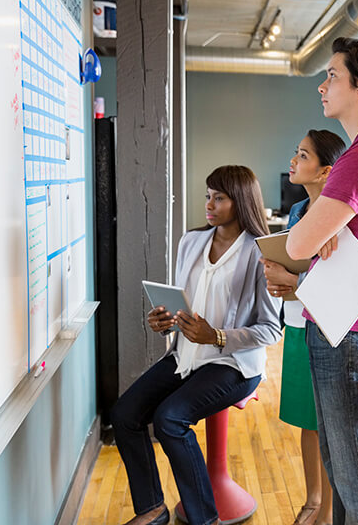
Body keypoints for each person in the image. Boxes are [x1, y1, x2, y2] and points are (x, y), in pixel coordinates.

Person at [110, 166, 282, 525]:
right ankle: (153, 508)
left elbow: (270, 329)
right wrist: (164, 322)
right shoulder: (191, 241)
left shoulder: (260, 253)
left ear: (241, 201)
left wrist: (217, 336)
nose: (209, 204)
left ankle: (205, 519)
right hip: (186, 356)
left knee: (170, 419)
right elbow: (182, 306)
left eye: (219, 197)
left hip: (233, 365)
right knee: (125, 414)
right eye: (207, 196)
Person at [286, 37, 358, 525]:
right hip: (347, 329)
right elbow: (313, 238)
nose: (322, 85)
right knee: (347, 479)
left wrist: (315, 231)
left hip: (351, 334)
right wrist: (320, 230)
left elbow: (296, 245)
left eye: (332, 75)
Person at [261, 129, 346, 525]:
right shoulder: (297, 212)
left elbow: (335, 283)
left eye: (303, 155)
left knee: (327, 426)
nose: (292, 162)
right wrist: (279, 278)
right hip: (296, 322)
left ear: (326, 171)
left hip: (326, 328)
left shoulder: (341, 217)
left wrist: (292, 281)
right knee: (306, 422)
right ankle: (313, 500)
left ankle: (327, 512)